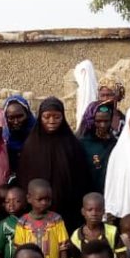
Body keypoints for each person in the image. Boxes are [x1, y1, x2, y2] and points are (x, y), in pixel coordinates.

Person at [16, 97, 91, 233]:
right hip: (37, 211)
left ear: (63, 117)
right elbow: (24, 179)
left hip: (68, 211)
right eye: (47, 117)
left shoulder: (72, 145)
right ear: (40, 118)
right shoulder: (31, 146)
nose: (51, 121)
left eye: (56, 117)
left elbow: (81, 179)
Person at [13, 179, 70, 258]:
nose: (44, 203)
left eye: (48, 199)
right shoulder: (22, 223)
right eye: (40, 199)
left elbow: (63, 248)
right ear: (29, 198)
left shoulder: (56, 220)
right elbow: (18, 251)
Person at [68, 192, 126, 258]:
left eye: (98, 210)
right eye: (89, 210)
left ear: (103, 212)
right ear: (83, 212)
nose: (94, 213)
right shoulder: (76, 236)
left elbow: (122, 255)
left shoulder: (112, 231)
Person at [77, 101, 118, 195]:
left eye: (106, 121)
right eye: (98, 121)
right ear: (90, 120)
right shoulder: (81, 143)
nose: (103, 125)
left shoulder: (115, 143)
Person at [0, 185, 27, 258]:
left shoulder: (30, 221)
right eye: (7, 202)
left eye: (16, 201)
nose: (11, 205)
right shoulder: (4, 225)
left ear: (25, 203)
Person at [2, 95, 37, 174]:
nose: (16, 122)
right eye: (11, 118)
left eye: (20, 116)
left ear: (27, 114)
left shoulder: (39, 135)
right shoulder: (3, 139)